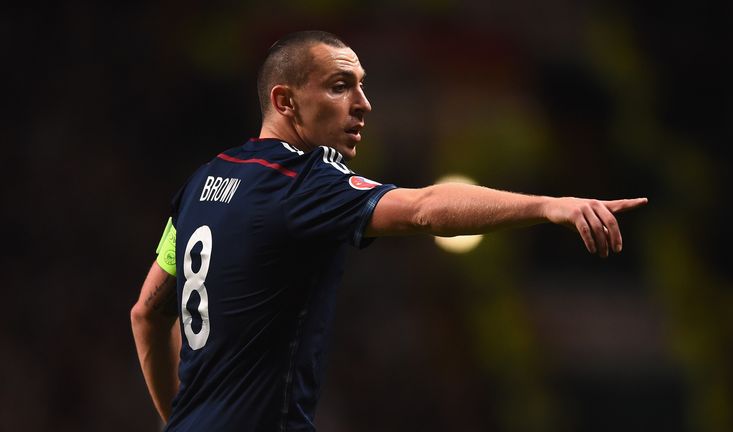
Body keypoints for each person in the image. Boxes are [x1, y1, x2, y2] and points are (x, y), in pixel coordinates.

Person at [130, 30, 647, 431]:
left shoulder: (203, 182)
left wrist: (179, 418)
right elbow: (423, 207)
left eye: (361, 85)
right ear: (285, 101)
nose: (363, 103)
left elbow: (147, 311)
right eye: (340, 86)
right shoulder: (303, 180)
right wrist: (548, 204)